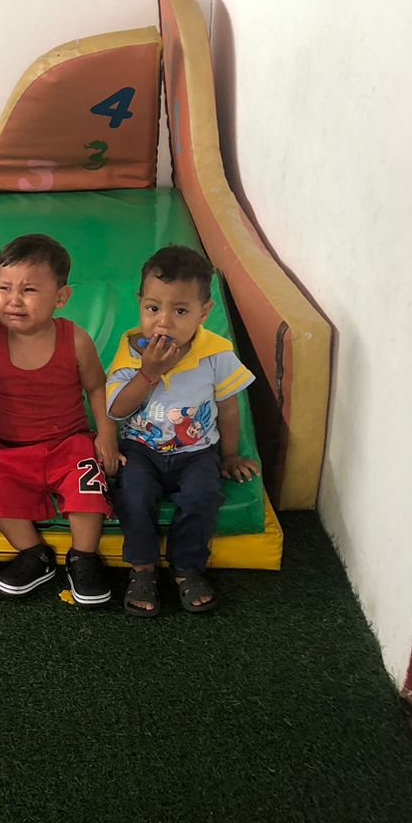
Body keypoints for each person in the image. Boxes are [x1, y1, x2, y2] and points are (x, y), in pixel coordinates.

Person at [106, 246, 260, 617]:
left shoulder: (216, 353)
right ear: (140, 303)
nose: (163, 322)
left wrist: (229, 455)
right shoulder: (130, 351)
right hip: (140, 450)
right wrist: (149, 372)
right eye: (153, 308)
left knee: (203, 495)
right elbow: (117, 409)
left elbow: (228, 406)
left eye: (180, 311)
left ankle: (187, 568)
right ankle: (143, 569)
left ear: (204, 312)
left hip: (197, 454)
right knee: (133, 493)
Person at [0, 234, 122, 605]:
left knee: (88, 490)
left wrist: (106, 433)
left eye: (28, 290)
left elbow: (97, 387)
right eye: (4, 288)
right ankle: (34, 554)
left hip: (69, 445)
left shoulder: (75, 339)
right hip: (12, 450)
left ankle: (83, 556)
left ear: (61, 297)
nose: (13, 299)